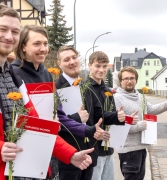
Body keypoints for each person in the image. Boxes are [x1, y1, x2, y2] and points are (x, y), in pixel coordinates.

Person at [0, 4, 92, 180]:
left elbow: (36, 125)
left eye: (15, 31)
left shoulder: (13, 75)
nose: (9, 36)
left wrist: (70, 154)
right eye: (3, 29)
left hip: (22, 172)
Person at [11, 25, 101, 180]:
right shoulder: (13, 73)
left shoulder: (45, 74)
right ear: (23, 46)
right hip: (21, 154)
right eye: (37, 44)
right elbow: (13, 117)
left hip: (47, 151)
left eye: (45, 44)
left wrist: (89, 130)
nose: (43, 48)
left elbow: (58, 115)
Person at [114, 66, 167, 180]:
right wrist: (138, 126)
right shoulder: (117, 98)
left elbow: (152, 109)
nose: (129, 81)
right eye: (126, 79)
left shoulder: (139, 96)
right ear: (121, 81)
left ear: (136, 80)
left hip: (141, 147)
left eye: (132, 78)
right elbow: (116, 126)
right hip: (128, 150)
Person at [55, 46, 104, 180]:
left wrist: (96, 131)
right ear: (59, 64)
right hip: (69, 158)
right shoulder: (55, 88)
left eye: (74, 57)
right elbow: (55, 123)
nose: (72, 62)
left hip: (89, 155)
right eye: (66, 59)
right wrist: (77, 118)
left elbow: (92, 117)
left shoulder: (85, 86)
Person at [83, 51, 127, 180]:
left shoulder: (108, 91)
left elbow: (110, 116)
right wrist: (114, 117)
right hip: (93, 149)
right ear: (89, 65)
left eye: (104, 66)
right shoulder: (85, 89)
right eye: (97, 66)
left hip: (108, 147)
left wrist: (120, 118)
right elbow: (90, 118)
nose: (101, 70)